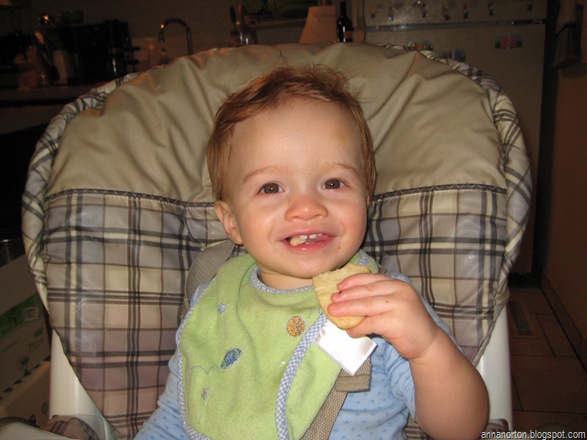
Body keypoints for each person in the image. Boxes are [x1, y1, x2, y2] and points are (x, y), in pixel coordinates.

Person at [136, 65, 489, 440]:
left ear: (366, 199)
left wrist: (427, 348)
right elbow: (174, 418)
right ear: (231, 221)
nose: (306, 208)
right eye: (271, 188)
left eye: (333, 183)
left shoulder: (382, 305)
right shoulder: (213, 303)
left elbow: (461, 430)